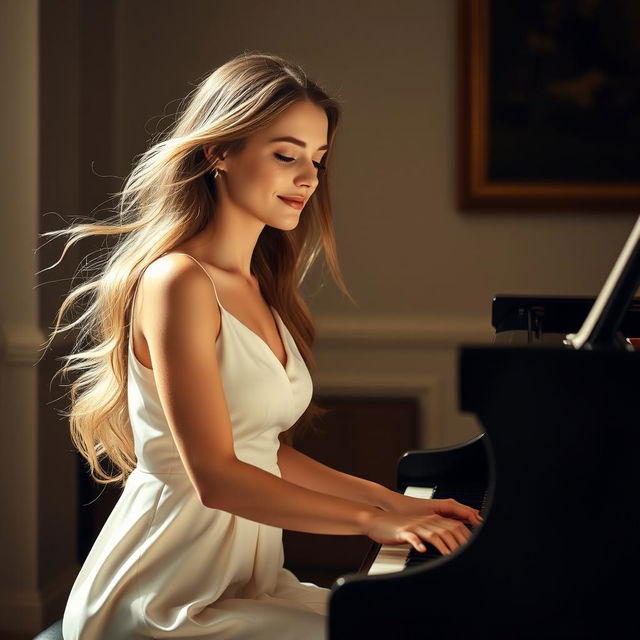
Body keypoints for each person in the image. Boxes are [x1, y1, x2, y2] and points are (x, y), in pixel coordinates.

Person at [43, 52, 481, 639]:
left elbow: (260, 450)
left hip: (245, 583)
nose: (309, 178)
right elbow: (218, 476)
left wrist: (394, 502)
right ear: (217, 151)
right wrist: (368, 520)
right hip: (163, 600)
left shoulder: (259, 286)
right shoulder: (178, 281)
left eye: (318, 159)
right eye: (286, 155)